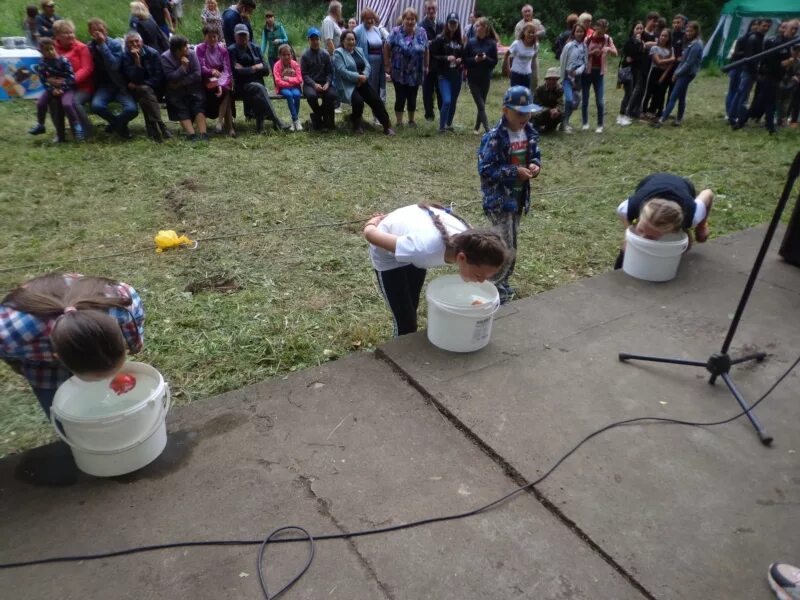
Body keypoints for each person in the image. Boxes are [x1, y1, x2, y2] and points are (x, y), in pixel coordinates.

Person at [0, 273, 145, 420]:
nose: (106, 381)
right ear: (57, 357)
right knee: (60, 411)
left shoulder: (123, 302)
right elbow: (9, 357)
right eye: (96, 379)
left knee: (94, 400)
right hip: (38, 352)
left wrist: (134, 344)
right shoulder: (10, 334)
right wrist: (18, 366)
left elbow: (134, 333)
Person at [363, 204, 508, 336]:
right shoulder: (424, 250)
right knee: (405, 322)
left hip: (412, 235)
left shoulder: (471, 240)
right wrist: (373, 222)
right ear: (462, 258)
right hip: (387, 253)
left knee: (411, 304)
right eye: (479, 275)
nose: (482, 281)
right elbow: (370, 235)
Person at [478, 85, 542, 304]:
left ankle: (502, 283)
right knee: (504, 246)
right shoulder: (495, 138)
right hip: (499, 201)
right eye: (519, 113)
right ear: (505, 111)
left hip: (518, 199)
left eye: (528, 112)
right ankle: (494, 288)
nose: (525, 117)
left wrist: (534, 165)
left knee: (513, 243)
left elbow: (535, 154)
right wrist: (514, 172)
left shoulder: (529, 132)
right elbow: (486, 169)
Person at [613, 172, 714, 269]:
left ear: (672, 231)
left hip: (683, 186)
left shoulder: (693, 214)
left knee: (686, 244)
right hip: (651, 181)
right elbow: (621, 211)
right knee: (627, 248)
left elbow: (708, 193)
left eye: (651, 237)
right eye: (641, 229)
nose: (642, 237)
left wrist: (701, 226)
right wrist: (629, 233)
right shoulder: (632, 206)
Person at [228, 23, 288, 133]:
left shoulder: (255, 48)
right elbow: (236, 72)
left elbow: (266, 70)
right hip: (241, 86)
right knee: (259, 89)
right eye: (239, 35)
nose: (242, 38)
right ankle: (276, 121)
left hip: (256, 84)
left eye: (244, 35)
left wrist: (247, 69)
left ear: (248, 36)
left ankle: (260, 128)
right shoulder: (232, 50)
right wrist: (255, 67)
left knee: (259, 89)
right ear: (235, 36)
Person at [334, 29, 394, 135]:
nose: (351, 42)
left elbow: (367, 65)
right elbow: (342, 71)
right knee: (358, 101)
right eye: (348, 39)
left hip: (362, 82)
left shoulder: (359, 50)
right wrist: (358, 77)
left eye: (353, 39)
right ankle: (357, 125)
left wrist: (364, 76)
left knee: (376, 100)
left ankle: (387, 126)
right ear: (343, 41)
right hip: (348, 85)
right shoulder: (338, 53)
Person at [87, 18, 138, 139]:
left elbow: (114, 66)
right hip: (103, 87)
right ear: (90, 33)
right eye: (95, 31)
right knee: (96, 106)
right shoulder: (89, 47)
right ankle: (120, 125)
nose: (98, 33)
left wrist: (102, 45)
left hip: (120, 85)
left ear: (106, 31)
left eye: (101, 30)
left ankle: (115, 125)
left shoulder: (114, 44)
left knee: (132, 109)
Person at [743, 21, 796, 134]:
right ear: (781, 29)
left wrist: (789, 64)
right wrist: (786, 63)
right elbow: (771, 63)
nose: (792, 31)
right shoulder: (774, 41)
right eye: (786, 28)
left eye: (795, 29)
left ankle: (742, 122)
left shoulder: (788, 43)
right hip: (769, 76)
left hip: (777, 77)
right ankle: (770, 127)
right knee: (768, 102)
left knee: (761, 101)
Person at [28, 37, 82, 142]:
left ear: (55, 48)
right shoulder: (42, 64)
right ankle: (41, 125)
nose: (50, 52)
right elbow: (43, 79)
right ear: (41, 52)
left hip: (67, 89)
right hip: (52, 89)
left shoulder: (64, 60)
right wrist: (52, 89)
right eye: (47, 50)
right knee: (40, 103)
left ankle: (77, 127)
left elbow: (71, 77)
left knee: (67, 104)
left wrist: (62, 88)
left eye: (52, 48)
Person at [122, 30, 171, 142]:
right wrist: (137, 61)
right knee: (144, 92)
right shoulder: (125, 57)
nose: (134, 44)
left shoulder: (153, 53)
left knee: (145, 93)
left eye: (137, 41)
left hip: (155, 88)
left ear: (142, 42)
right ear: (126, 45)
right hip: (136, 91)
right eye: (130, 42)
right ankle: (160, 125)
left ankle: (154, 127)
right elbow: (132, 77)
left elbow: (159, 77)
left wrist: (142, 84)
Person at [653, 21, 703, 127]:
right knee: (681, 96)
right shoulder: (691, 43)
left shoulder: (696, 45)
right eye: (687, 31)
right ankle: (679, 119)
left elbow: (688, 63)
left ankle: (662, 120)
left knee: (673, 96)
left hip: (687, 73)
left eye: (691, 31)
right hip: (684, 72)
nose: (688, 33)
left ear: (696, 31)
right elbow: (683, 60)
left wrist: (677, 73)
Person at [385, 8, 428, 128]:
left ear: (416, 20)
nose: (410, 21)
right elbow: (387, 46)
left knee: (412, 95)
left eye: (412, 19)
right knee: (400, 96)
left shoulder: (422, 32)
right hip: (399, 70)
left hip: (416, 70)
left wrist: (426, 65)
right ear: (403, 20)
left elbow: (426, 49)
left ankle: (411, 120)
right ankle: (399, 122)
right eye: (407, 19)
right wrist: (387, 64)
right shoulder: (395, 31)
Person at [161, 35, 208, 141]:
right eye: (185, 46)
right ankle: (191, 135)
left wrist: (180, 83)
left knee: (198, 104)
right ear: (177, 50)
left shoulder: (191, 54)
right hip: (176, 92)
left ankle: (203, 134)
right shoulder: (165, 58)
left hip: (193, 88)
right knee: (180, 107)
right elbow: (170, 77)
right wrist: (183, 68)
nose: (188, 47)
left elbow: (197, 74)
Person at [52, 19, 94, 138]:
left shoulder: (82, 47)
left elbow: (87, 69)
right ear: (57, 35)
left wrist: (69, 81)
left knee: (74, 101)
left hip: (82, 87)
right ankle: (60, 134)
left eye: (72, 32)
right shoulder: (52, 48)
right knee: (53, 100)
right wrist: (53, 81)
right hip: (61, 86)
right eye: (66, 33)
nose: (70, 35)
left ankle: (87, 131)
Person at [196, 26, 234, 137]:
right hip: (207, 78)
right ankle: (228, 127)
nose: (212, 39)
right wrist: (212, 72)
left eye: (214, 36)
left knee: (227, 90)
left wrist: (221, 84)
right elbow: (201, 68)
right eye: (209, 37)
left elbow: (227, 70)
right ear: (205, 37)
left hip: (222, 78)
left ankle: (220, 122)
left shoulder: (223, 50)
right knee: (225, 92)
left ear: (218, 37)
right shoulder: (200, 49)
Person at [729, 18, 768, 128]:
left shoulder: (760, 38)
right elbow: (750, 57)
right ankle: (736, 118)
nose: (766, 28)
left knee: (741, 94)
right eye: (764, 25)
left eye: (768, 26)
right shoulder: (752, 38)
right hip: (748, 71)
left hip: (749, 70)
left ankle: (736, 117)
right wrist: (755, 72)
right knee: (741, 95)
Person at [464, 16, 498, 135]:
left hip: (485, 77)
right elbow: (465, 61)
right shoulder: (470, 42)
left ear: (485, 28)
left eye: (479, 26)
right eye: (476, 26)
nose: (476, 28)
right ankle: (488, 128)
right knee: (481, 104)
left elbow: (494, 62)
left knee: (482, 102)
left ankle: (477, 127)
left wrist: (485, 58)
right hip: (473, 78)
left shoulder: (492, 43)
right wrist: (474, 60)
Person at [581, 18, 617, 133]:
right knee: (585, 99)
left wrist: (608, 49)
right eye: (600, 29)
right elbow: (582, 54)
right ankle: (585, 123)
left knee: (600, 101)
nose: (602, 32)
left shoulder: (607, 39)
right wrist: (592, 53)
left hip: (599, 73)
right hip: (587, 72)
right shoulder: (588, 39)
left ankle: (600, 125)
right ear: (596, 27)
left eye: (604, 29)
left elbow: (615, 53)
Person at [430, 13, 463, 133]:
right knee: (447, 100)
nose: (453, 25)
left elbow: (464, 55)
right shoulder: (440, 38)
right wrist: (445, 58)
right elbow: (432, 56)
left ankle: (449, 124)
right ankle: (441, 126)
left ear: (458, 24)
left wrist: (461, 59)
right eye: (451, 22)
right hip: (444, 74)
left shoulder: (460, 39)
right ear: (447, 23)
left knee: (453, 101)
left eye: (455, 23)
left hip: (457, 75)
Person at [301, 27, 336, 131]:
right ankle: (321, 120)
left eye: (317, 39)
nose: (315, 42)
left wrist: (328, 83)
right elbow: (304, 74)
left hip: (324, 83)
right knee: (311, 96)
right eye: (312, 39)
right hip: (310, 84)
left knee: (332, 95)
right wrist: (313, 84)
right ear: (309, 40)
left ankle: (318, 118)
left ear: (320, 40)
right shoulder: (305, 55)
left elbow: (330, 72)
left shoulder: (325, 54)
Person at [354, 8, 387, 102]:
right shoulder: (358, 30)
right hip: (366, 64)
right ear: (362, 19)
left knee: (378, 85)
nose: (370, 20)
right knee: (368, 87)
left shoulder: (376, 30)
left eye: (372, 18)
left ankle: (378, 106)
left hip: (379, 63)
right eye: (367, 18)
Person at [559, 22, 587, 133]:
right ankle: (563, 123)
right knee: (569, 100)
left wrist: (577, 71)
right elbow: (562, 61)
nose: (579, 33)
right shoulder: (569, 46)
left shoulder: (584, 46)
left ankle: (565, 122)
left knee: (576, 101)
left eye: (581, 31)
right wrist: (563, 76)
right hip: (567, 77)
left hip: (577, 77)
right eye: (577, 31)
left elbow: (585, 63)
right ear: (574, 33)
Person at [617, 21, 647, 125]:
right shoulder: (630, 41)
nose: (639, 31)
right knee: (628, 92)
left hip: (637, 71)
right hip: (628, 70)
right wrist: (638, 46)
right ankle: (622, 114)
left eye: (641, 28)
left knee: (634, 92)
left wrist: (639, 49)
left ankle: (629, 113)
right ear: (633, 30)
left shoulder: (642, 42)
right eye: (637, 28)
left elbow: (639, 57)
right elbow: (630, 55)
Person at [641, 29, 674, 120]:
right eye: (662, 35)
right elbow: (658, 61)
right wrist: (670, 59)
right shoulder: (655, 48)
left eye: (665, 36)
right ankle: (643, 110)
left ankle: (653, 111)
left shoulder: (671, 49)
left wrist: (664, 74)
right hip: (654, 71)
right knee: (649, 92)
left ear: (668, 38)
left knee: (660, 93)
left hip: (664, 73)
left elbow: (671, 64)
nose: (663, 38)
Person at [419, 0, 443, 122]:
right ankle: (429, 116)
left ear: (436, 9)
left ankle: (442, 115)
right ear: (425, 9)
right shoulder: (420, 25)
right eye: (429, 8)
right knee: (427, 91)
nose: (431, 10)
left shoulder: (441, 24)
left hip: (440, 64)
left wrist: (432, 44)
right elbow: (422, 45)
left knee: (440, 91)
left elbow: (444, 44)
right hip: (426, 63)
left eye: (433, 8)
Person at [513, 4, 546, 90]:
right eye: (525, 11)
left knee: (534, 78)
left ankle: (531, 97)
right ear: (522, 13)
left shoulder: (537, 22)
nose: (527, 13)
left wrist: (535, 34)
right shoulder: (519, 25)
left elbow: (543, 32)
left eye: (529, 11)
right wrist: (528, 36)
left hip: (533, 54)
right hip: (522, 55)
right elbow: (517, 39)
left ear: (532, 12)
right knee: (522, 77)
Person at [274, 44, 304, 131]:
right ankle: (296, 120)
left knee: (297, 95)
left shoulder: (295, 64)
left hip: (295, 87)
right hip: (282, 88)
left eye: (288, 54)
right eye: (284, 55)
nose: (287, 57)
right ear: (279, 55)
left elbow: (299, 79)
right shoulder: (277, 65)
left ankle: (293, 121)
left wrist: (288, 79)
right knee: (289, 95)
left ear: (291, 54)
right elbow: (278, 81)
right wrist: (290, 83)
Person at [504, 23, 538, 89]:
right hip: (516, 74)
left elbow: (533, 59)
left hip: (527, 75)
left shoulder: (535, 45)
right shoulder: (516, 43)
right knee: (515, 95)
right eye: (529, 32)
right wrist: (508, 69)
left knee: (525, 96)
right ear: (524, 32)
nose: (531, 34)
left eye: (533, 32)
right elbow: (506, 55)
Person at [532, 67, 563, 132]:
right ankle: (536, 126)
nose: (552, 82)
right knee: (536, 115)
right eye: (549, 79)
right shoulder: (539, 89)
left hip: (553, 113)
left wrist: (556, 110)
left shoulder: (559, 90)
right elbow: (536, 105)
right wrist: (549, 110)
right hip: (540, 112)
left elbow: (561, 103)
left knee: (561, 113)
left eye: (554, 79)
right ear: (546, 80)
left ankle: (550, 128)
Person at [778, 44, 800, 127]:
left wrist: (796, 77)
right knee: (779, 102)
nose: (797, 52)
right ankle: (780, 118)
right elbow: (780, 68)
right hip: (781, 83)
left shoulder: (798, 62)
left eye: (798, 51)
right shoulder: (786, 59)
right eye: (795, 50)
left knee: (787, 103)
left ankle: (784, 119)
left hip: (791, 86)